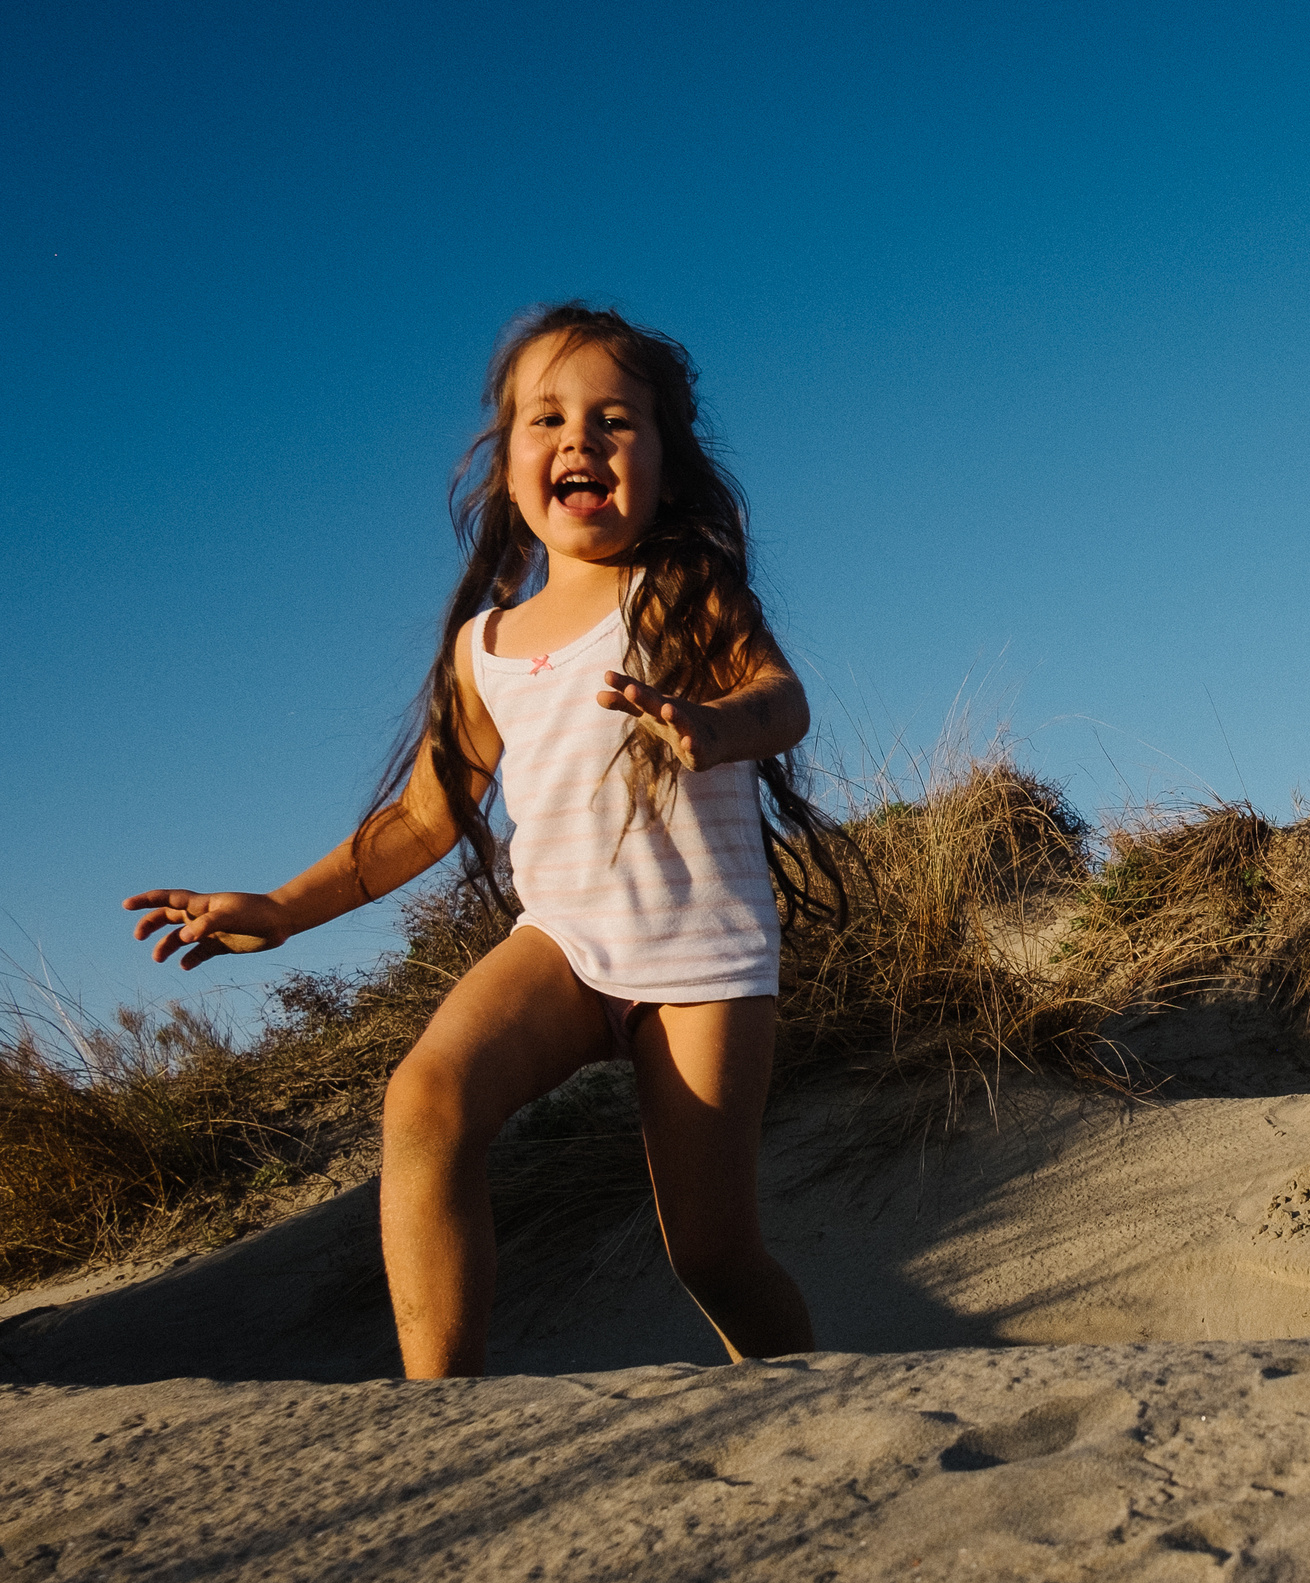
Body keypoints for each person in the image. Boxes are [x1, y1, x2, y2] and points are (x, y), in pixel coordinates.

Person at [124, 303, 842, 1378]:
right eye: (546, 419)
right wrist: (277, 910)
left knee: (711, 1251)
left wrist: (714, 727)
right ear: (508, 467)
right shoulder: (486, 647)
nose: (580, 441)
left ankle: (812, 1398)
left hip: (704, 964)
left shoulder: (680, 592)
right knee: (425, 1099)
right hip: (561, 944)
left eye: (615, 421)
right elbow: (424, 817)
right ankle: (437, 1408)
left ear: (665, 460)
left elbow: (781, 700)